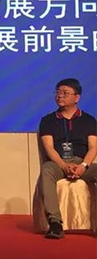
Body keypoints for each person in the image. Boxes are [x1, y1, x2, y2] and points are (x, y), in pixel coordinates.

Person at [38, 78, 97, 239]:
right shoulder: (48, 120)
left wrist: (83, 166)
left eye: (65, 93)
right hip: (58, 163)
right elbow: (49, 148)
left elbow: (93, 147)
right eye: (58, 92)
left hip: (81, 162)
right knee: (47, 170)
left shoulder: (89, 120)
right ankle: (55, 223)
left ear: (77, 97)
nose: (60, 96)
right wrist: (64, 166)